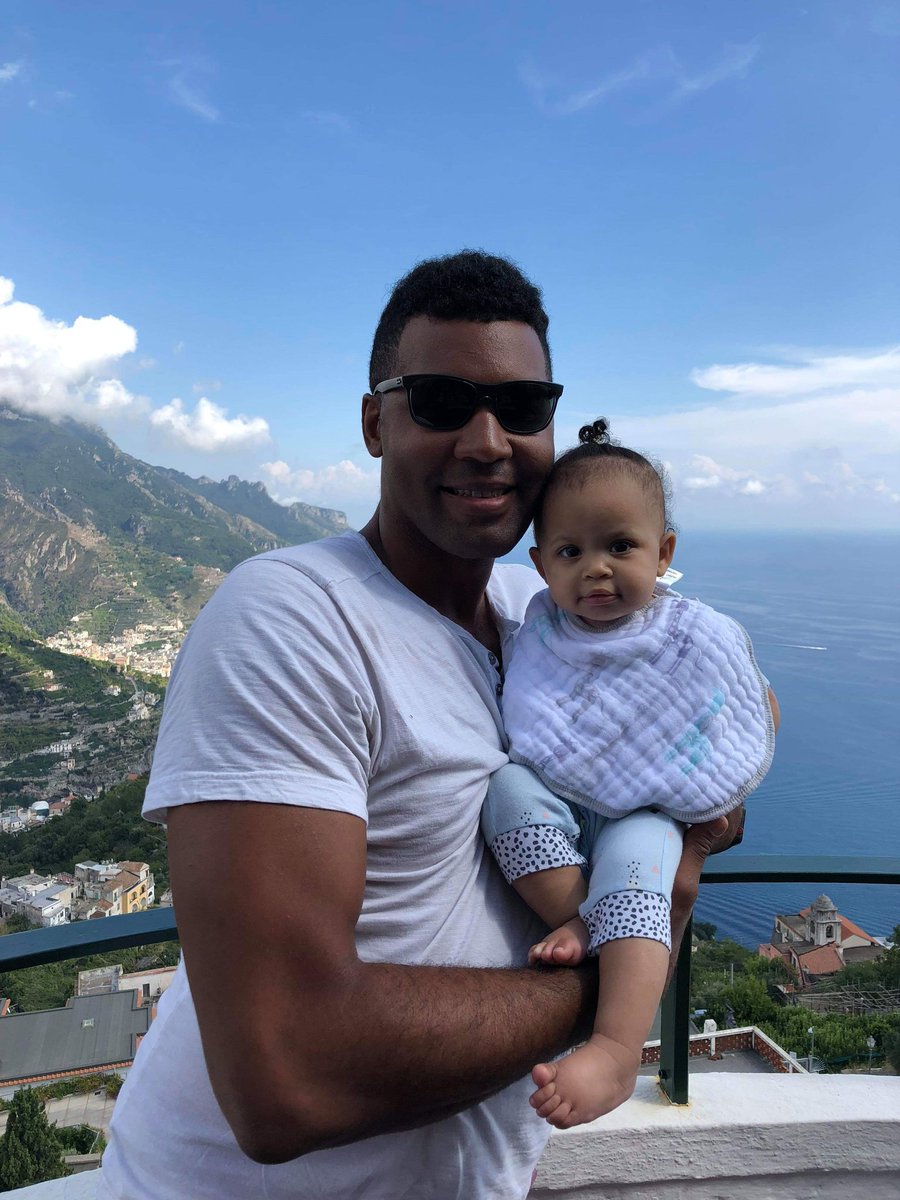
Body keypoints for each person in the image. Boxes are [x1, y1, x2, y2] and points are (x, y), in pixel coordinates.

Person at [99, 252, 744, 1200]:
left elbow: (722, 709)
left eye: (522, 407)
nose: (488, 441)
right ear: (375, 422)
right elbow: (285, 1078)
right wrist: (625, 958)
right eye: (441, 402)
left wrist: (703, 806)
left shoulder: (547, 615)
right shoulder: (292, 616)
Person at [482, 419, 779, 1130]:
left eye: (620, 546)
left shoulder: (690, 635)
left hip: (647, 809)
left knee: (640, 860)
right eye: (571, 551)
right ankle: (580, 915)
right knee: (504, 792)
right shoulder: (539, 628)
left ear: (663, 552)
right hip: (558, 801)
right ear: (540, 563)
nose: (596, 568)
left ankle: (617, 1048)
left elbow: (740, 708)